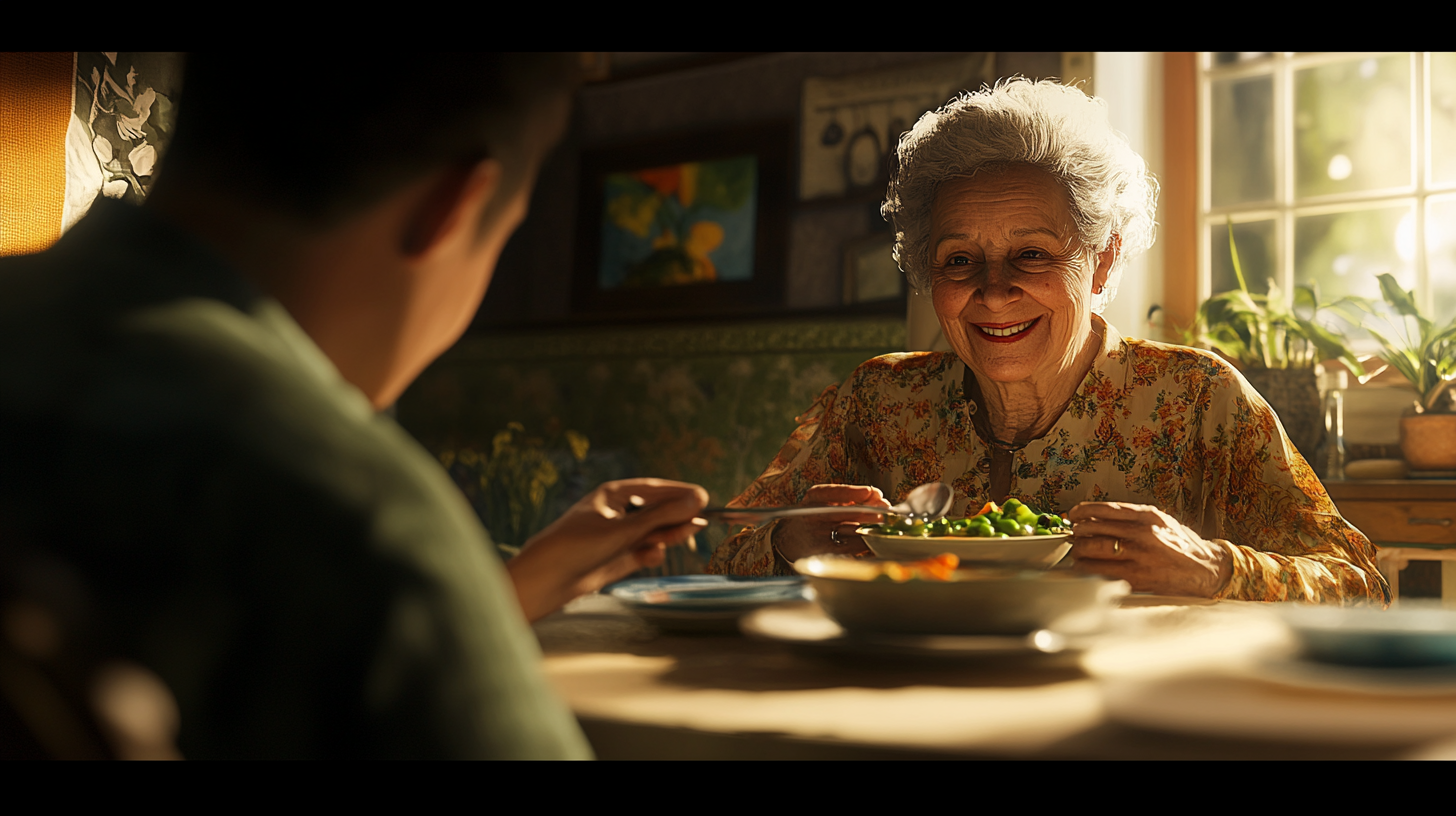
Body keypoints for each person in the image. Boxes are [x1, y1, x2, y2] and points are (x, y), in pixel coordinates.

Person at [0, 53, 708, 758]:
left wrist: (502, 591)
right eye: (506, 231)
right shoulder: (355, 512)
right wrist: (433, 584)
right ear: (454, 208)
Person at [707, 79, 1388, 605]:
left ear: (1104, 259)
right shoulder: (879, 401)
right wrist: (785, 542)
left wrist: (1216, 567)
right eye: (957, 260)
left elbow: (1359, 587)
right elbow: (725, 557)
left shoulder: (1200, 400)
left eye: (1032, 254)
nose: (994, 291)